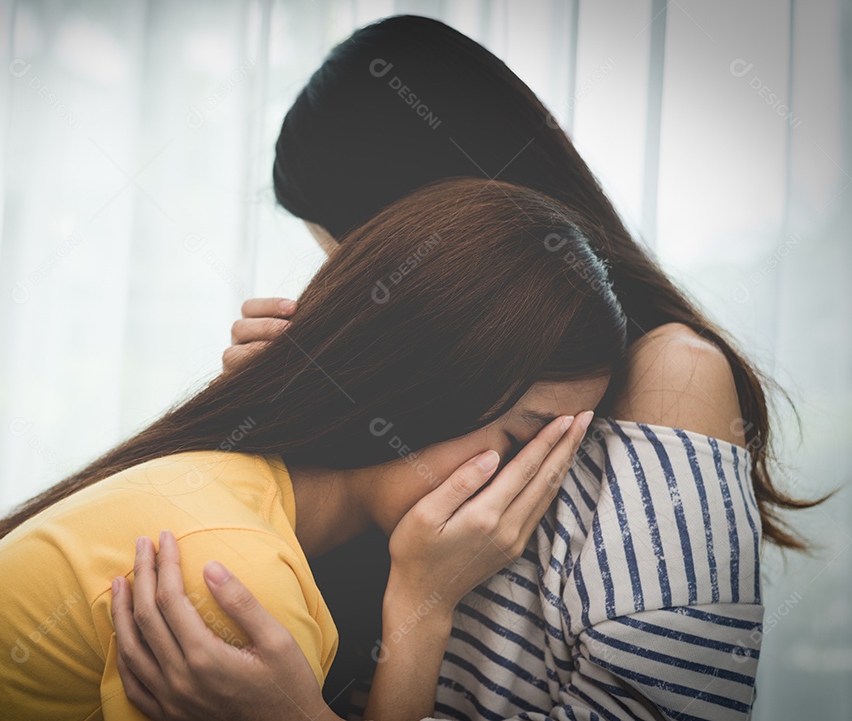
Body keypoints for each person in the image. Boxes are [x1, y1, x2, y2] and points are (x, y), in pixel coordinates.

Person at [107, 15, 827, 721]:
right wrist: (284, 426)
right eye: (341, 273)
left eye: (372, 264)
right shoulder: (429, 411)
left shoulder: (671, 375)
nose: (362, 302)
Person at [0, 177, 626, 721]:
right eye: (528, 443)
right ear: (422, 385)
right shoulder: (237, 581)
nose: (536, 490)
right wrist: (424, 611)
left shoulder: (225, 487)